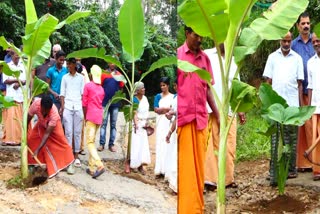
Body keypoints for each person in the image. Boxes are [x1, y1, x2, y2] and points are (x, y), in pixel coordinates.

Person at [177, 26, 219, 213]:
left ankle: (197, 208)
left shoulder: (205, 59)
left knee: (199, 168)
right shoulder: (177, 55)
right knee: (186, 170)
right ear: (187, 33)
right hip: (184, 119)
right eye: (196, 35)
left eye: (202, 36)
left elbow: (208, 89)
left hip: (201, 119)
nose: (200, 39)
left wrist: (218, 114)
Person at [263, 32, 304, 186]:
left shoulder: (297, 59)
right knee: (275, 140)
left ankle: (290, 170)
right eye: (284, 41)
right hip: (275, 107)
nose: (286, 44)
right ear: (279, 40)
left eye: (288, 41)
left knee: (291, 140)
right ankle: (274, 171)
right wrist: (267, 104)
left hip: (292, 105)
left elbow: (300, 84)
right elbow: (268, 81)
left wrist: (299, 108)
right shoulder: (272, 57)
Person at [204, 44, 246, 190]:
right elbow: (204, 83)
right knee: (212, 144)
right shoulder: (207, 55)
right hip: (210, 108)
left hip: (229, 109)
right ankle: (210, 180)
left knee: (229, 145)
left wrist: (240, 110)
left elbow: (236, 87)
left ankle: (227, 179)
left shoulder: (234, 60)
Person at [27, 95, 74, 178]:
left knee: (62, 142)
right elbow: (28, 118)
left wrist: (38, 149)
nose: (45, 112)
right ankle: (31, 163)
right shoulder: (35, 105)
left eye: (47, 111)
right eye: (43, 110)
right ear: (40, 105)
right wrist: (25, 132)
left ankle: (69, 163)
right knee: (32, 139)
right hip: (41, 123)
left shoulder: (54, 114)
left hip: (53, 126)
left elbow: (46, 134)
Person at [292, 12, 315, 172]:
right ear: (298, 26)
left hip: (316, 92)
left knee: (314, 126)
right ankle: (302, 163)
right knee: (301, 127)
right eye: (303, 23)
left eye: (308, 23)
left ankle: (316, 162)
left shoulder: (316, 42)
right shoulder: (293, 44)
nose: (306, 26)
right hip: (299, 92)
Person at [60, 58, 84, 168]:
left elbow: (83, 94)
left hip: (78, 106)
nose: (68, 66)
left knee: (77, 133)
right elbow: (62, 94)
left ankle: (76, 156)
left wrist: (83, 110)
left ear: (74, 65)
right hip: (68, 107)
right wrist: (63, 106)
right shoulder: (65, 78)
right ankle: (69, 156)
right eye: (67, 64)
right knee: (68, 132)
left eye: (70, 64)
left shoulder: (81, 78)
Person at [82, 65, 105, 179]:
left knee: (89, 142)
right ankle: (91, 168)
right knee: (92, 141)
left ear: (91, 74)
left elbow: (84, 103)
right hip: (99, 116)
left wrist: (85, 116)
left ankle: (99, 165)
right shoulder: (101, 89)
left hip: (90, 116)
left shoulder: (88, 86)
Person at [97, 63, 124, 152]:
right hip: (105, 103)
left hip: (115, 103)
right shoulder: (104, 73)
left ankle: (111, 144)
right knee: (103, 124)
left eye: (114, 63)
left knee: (113, 124)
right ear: (108, 63)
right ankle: (101, 144)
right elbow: (99, 87)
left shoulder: (119, 75)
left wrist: (120, 99)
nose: (112, 64)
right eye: (111, 62)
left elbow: (121, 88)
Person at [2, 51, 26, 146]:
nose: (17, 57)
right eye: (16, 55)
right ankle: (11, 139)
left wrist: (20, 83)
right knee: (11, 119)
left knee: (20, 119)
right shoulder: (7, 65)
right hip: (11, 97)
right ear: (11, 55)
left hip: (21, 96)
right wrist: (17, 80)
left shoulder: (22, 65)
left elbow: (25, 80)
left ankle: (20, 139)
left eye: (18, 55)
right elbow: (6, 80)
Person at [153, 76, 174, 177]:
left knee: (168, 144)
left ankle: (166, 169)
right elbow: (156, 109)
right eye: (161, 85)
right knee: (160, 143)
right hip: (161, 122)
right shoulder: (158, 96)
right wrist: (166, 109)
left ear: (168, 85)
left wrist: (164, 110)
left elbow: (173, 109)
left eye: (164, 85)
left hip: (169, 123)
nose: (162, 87)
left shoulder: (173, 97)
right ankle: (159, 168)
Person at [307, 33, 320, 180]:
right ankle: (317, 169)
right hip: (315, 106)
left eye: (319, 41)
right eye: (314, 41)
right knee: (315, 139)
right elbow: (309, 86)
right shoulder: (310, 62)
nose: (316, 43)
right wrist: (308, 109)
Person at [130, 82, 151, 174]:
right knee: (136, 144)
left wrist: (147, 122)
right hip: (137, 124)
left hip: (144, 123)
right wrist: (136, 124)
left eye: (144, 88)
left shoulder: (145, 99)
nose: (144, 89)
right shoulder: (134, 99)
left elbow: (147, 111)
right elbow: (134, 113)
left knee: (143, 144)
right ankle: (135, 164)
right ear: (137, 90)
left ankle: (141, 165)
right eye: (142, 88)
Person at [164, 80, 177, 193]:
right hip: (177, 130)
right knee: (173, 154)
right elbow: (177, 118)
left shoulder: (182, 98)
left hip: (183, 130)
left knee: (176, 156)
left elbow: (178, 116)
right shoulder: (177, 98)